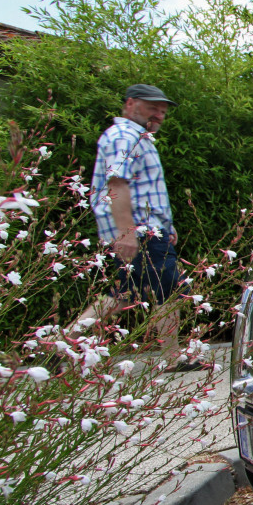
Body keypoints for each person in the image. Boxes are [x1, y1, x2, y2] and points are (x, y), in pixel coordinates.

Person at [75, 84, 196, 370]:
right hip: (140, 231)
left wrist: (167, 225)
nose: (159, 115)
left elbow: (145, 189)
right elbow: (117, 184)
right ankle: (171, 358)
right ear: (130, 104)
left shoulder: (137, 137)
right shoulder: (125, 136)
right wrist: (127, 231)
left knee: (124, 293)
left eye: (163, 111)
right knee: (171, 289)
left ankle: (63, 343)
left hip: (149, 228)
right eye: (152, 108)